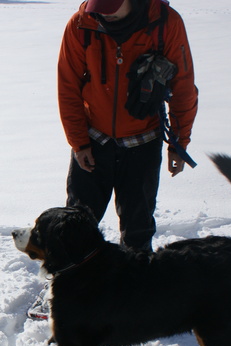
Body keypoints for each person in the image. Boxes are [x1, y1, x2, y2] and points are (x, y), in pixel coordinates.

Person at [58, 0, 198, 252]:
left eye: (110, 7)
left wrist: (179, 143)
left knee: (138, 230)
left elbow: (183, 87)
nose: (102, 13)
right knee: (75, 227)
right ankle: (71, 287)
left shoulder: (166, 23)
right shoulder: (81, 24)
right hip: (93, 140)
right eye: (98, 6)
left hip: (142, 142)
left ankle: (135, 287)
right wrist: (79, 142)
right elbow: (68, 86)